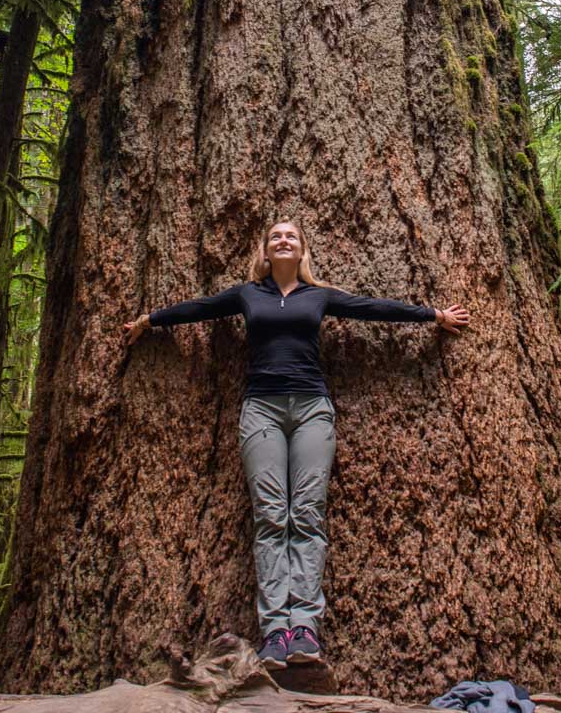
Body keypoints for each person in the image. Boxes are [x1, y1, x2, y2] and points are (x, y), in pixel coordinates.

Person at [124, 220, 469, 670]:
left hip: (312, 410)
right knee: (271, 516)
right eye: (274, 237)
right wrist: (151, 319)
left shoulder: (318, 295)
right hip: (261, 411)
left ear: (302, 250)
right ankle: (275, 631)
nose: (283, 241)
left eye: (291, 236)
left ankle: (304, 626)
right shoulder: (249, 294)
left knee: (306, 514)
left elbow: (373, 309)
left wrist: (432, 315)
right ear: (265, 251)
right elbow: (200, 308)